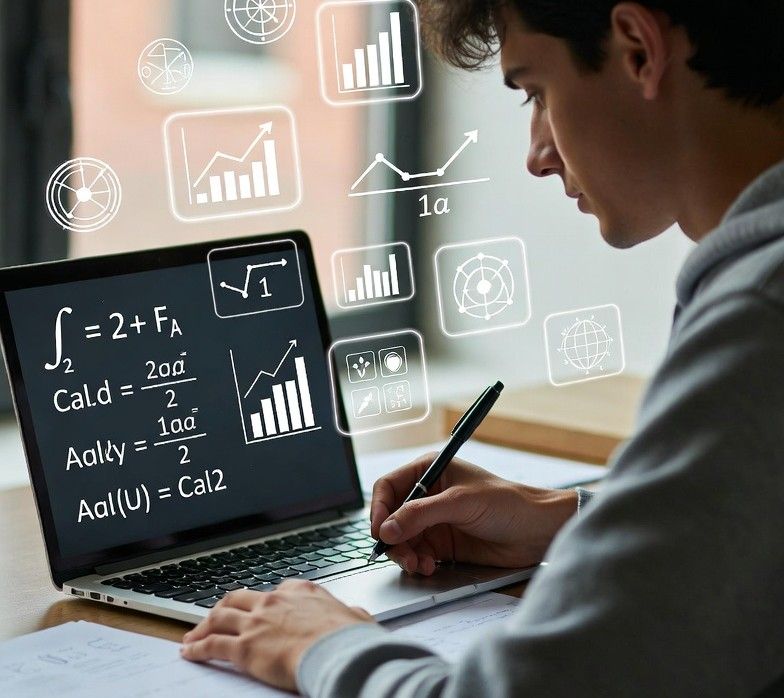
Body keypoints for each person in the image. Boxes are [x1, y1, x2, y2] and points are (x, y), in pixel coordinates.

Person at [180, 1, 784, 694]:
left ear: (639, 49)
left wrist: (326, 646)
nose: (536, 156)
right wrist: (573, 523)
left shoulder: (760, 318)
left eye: (535, 92)